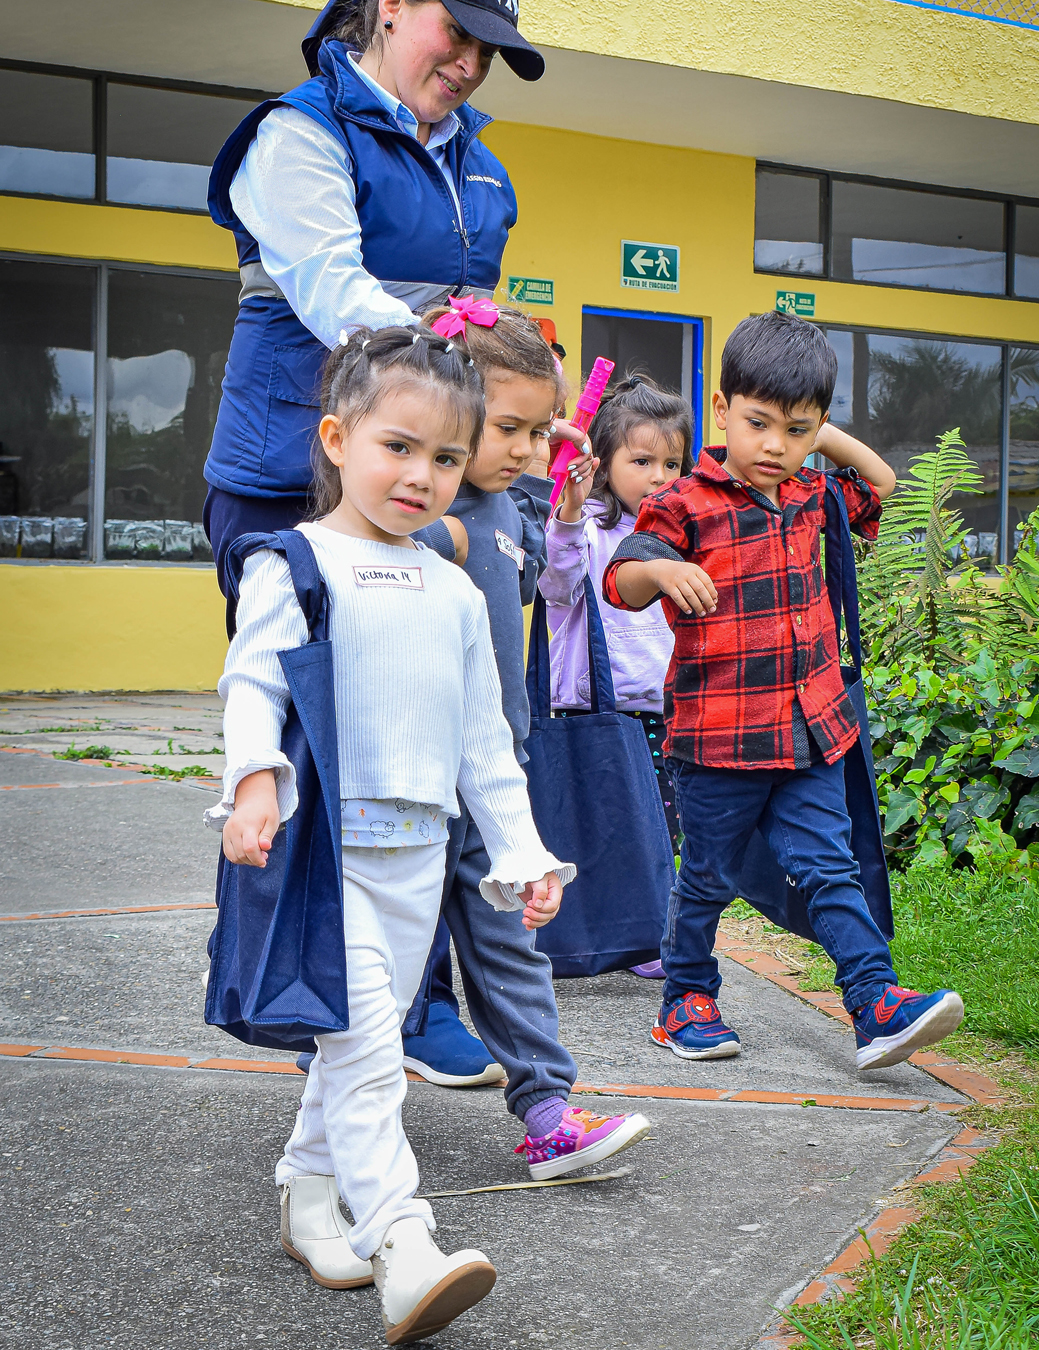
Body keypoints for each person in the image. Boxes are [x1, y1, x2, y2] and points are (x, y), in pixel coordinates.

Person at [210, 326, 574, 1342]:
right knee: (372, 1053)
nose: (422, 475)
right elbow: (253, 687)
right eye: (398, 447)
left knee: (350, 1049)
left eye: (447, 458)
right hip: (324, 860)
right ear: (337, 437)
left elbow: (484, 746)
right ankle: (403, 1245)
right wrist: (251, 787)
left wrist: (524, 854)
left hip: (419, 863)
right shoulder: (294, 565)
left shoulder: (455, 590)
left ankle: (304, 1193)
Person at [602, 312, 965, 1070]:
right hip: (720, 738)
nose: (774, 446)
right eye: (758, 423)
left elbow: (883, 483)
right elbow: (622, 580)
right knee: (706, 875)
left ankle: (875, 1002)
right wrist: (665, 570)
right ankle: (686, 999)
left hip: (811, 728)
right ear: (721, 410)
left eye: (795, 430)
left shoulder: (811, 492)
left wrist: (816, 434)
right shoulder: (686, 503)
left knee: (832, 866)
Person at [403, 298, 654, 1179]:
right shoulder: (419, 517)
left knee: (511, 949)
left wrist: (565, 503)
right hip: (406, 785)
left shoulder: (509, 509)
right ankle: (339, 1116)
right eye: (509, 427)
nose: (528, 448)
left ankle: (548, 1111)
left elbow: (546, 587)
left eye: (540, 429)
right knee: (384, 957)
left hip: (493, 778)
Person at [201, 0, 545, 583]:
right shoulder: (300, 129)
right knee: (301, 665)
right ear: (390, 7)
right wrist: (480, 375)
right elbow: (334, 292)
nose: (470, 65)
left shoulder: (483, 169)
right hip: (295, 476)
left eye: (487, 53)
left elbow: (479, 316)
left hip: (419, 480)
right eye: (459, 34)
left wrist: (529, 409)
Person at [537, 373, 693, 979]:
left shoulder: (682, 532)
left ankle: (655, 933)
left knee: (660, 827)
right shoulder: (593, 529)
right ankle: (581, 926)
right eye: (643, 460)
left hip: (665, 707)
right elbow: (556, 584)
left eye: (673, 463)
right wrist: (570, 513)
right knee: (599, 820)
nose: (660, 477)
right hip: (595, 705)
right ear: (603, 462)